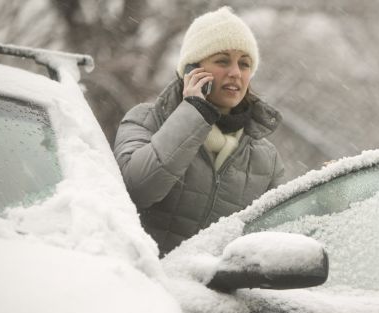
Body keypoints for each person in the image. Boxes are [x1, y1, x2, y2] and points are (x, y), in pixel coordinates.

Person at [113, 6, 285, 256]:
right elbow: (139, 190)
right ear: (190, 71)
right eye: (222, 61)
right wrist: (193, 112)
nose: (235, 72)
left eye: (245, 64)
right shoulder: (144, 120)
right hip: (144, 286)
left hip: (211, 295)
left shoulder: (266, 158)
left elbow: (277, 240)